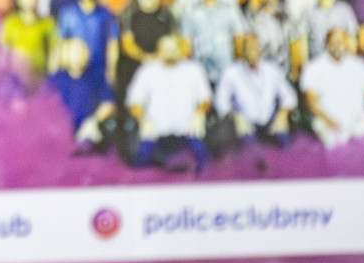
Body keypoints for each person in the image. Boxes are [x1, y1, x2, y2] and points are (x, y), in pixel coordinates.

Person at [125, 35, 212, 172]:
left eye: (173, 48)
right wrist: (143, 119)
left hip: (188, 128)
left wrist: (199, 115)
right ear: (159, 51)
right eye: (166, 48)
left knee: (205, 163)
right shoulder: (147, 71)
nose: (170, 52)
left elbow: (205, 98)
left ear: (180, 49)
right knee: (139, 164)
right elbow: (134, 102)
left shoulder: (194, 70)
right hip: (155, 129)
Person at [301, 27, 364, 149]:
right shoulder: (314, 68)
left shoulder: (360, 65)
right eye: (333, 42)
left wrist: (363, 116)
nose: (337, 45)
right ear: (326, 44)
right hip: (328, 125)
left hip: (357, 123)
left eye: (341, 41)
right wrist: (331, 122)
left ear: (346, 43)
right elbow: (311, 101)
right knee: (336, 152)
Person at [214, 34, 296, 148]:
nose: (253, 52)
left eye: (256, 47)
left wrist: (283, 114)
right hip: (246, 121)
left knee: (286, 146)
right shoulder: (231, 73)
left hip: (270, 118)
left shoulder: (271, 70)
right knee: (250, 154)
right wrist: (236, 118)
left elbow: (289, 95)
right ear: (243, 51)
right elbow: (220, 102)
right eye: (249, 48)